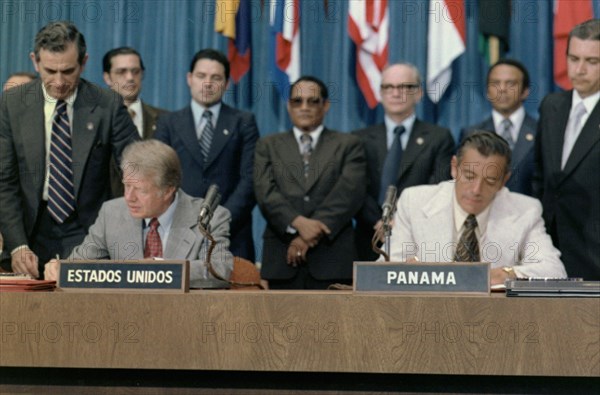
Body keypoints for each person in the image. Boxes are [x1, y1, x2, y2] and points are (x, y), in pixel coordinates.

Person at [0, 21, 139, 279]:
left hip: (89, 228)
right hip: (31, 228)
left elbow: (135, 167)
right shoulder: (13, 103)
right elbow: (4, 181)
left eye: (68, 71)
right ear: (35, 61)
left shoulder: (107, 105)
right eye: (50, 70)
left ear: (84, 62)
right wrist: (17, 244)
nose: (59, 81)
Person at [385, 131, 566, 285]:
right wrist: (410, 272)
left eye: (490, 181)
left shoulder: (526, 210)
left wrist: (506, 274)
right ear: (454, 168)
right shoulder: (414, 201)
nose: (476, 190)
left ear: (504, 180)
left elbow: (554, 270)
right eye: (469, 176)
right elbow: (386, 268)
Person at [44, 140, 233, 281]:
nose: (129, 197)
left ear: (168, 190)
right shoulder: (112, 213)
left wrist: (160, 269)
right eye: (126, 186)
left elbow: (219, 269)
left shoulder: (210, 218)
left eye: (141, 190)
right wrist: (61, 268)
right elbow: (80, 263)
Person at [254, 76, 367, 289]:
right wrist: (297, 222)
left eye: (312, 101)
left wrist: (307, 237)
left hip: (332, 258)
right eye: (297, 101)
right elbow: (265, 191)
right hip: (281, 257)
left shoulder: (348, 144)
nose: (304, 107)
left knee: (333, 323)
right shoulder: (267, 145)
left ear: (325, 105)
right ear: (288, 106)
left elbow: (349, 194)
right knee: (280, 323)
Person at [154, 49, 258, 262]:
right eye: (201, 76)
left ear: (227, 83)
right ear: (189, 79)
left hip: (232, 234)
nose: (208, 83)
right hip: (177, 230)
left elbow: (250, 179)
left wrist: (220, 219)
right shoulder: (168, 123)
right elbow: (160, 176)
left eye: (216, 78)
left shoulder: (244, 122)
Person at [353, 63, 454, 261]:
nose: (396, 93)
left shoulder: (439, 137)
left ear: (419, 93)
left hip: (417, 239)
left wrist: (398, 220)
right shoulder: (359, 139)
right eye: (388, 87)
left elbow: (439, 188)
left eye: (405, 87)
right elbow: (356, 190)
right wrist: (379, 221)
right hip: (368, 237)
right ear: (380, 94)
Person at [533, 19, 600, 280]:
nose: (579, 69)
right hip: (550, 250)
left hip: (594, 250)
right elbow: (540, 175)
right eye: (573, 58)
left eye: (592, 62)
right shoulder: (551, 106)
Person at [461, 58, 537, 196]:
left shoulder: (542, 132)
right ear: (487, 91)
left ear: (525, 91)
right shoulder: (471, 134)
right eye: (495, 83)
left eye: (511, 83)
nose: (502, 89)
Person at [102, 47, 168, 197]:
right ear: (107, 78)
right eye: (121, 72)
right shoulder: (94, 120)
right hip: (107, 212)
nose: (130, 77)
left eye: (135, 71)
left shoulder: (165, 119)